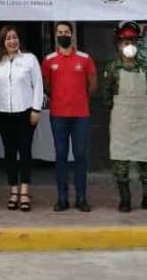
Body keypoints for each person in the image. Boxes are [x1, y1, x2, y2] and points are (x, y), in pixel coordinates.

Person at [102, 21, 147, 214]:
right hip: (121, 121)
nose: (128, 45)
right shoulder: (112, 68)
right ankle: (125, 199)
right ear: (118, 44)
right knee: (120, 163)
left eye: (131, 41)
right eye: (124, 41)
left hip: (143, 120)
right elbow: (107, 97)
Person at [42, 21, 98, 212]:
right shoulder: (49, 59)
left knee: (81, 156)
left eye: (66, 32)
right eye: (60, 32)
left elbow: (92, 83)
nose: (63, 35)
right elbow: (46, 85)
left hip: (81, 115)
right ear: (56, 35)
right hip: (58, 115)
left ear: (72, 35)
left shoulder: (85, 58)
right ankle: (62, 198)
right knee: (60, 156)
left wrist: (80, 99)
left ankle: (81, 197)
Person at [0, 24, 43, 212]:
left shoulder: (29, 59)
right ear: (2, 42)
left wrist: (37, 109)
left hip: (25, 113)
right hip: (3, 114)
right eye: (8, 38)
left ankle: (25, 191)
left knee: (25, 152)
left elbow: (38, 84)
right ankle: (13, 191)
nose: (12, 41)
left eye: (14, 37)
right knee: (9, 153)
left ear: (19, 40)